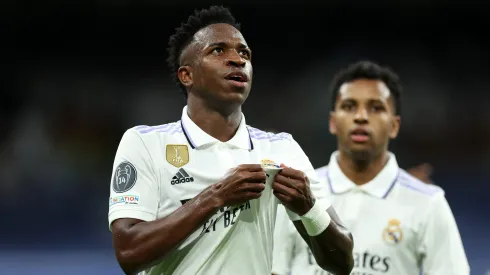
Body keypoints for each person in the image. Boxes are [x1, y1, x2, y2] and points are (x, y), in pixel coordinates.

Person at [108, 5, 354, 275]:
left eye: (244, 53)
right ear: (186, 75)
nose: (237, 59)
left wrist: (309, 208)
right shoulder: (145, 143)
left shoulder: (280, 147)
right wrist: (216, 196)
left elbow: (342, 262)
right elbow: (129, 253)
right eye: (218, 50)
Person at [272, 61, 469, 275]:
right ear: (333, 122)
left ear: (394, 125)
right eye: (349, 106)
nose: (361, 117)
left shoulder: (428, 203)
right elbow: (273, 270)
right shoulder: (297, 192)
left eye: (376, 107)